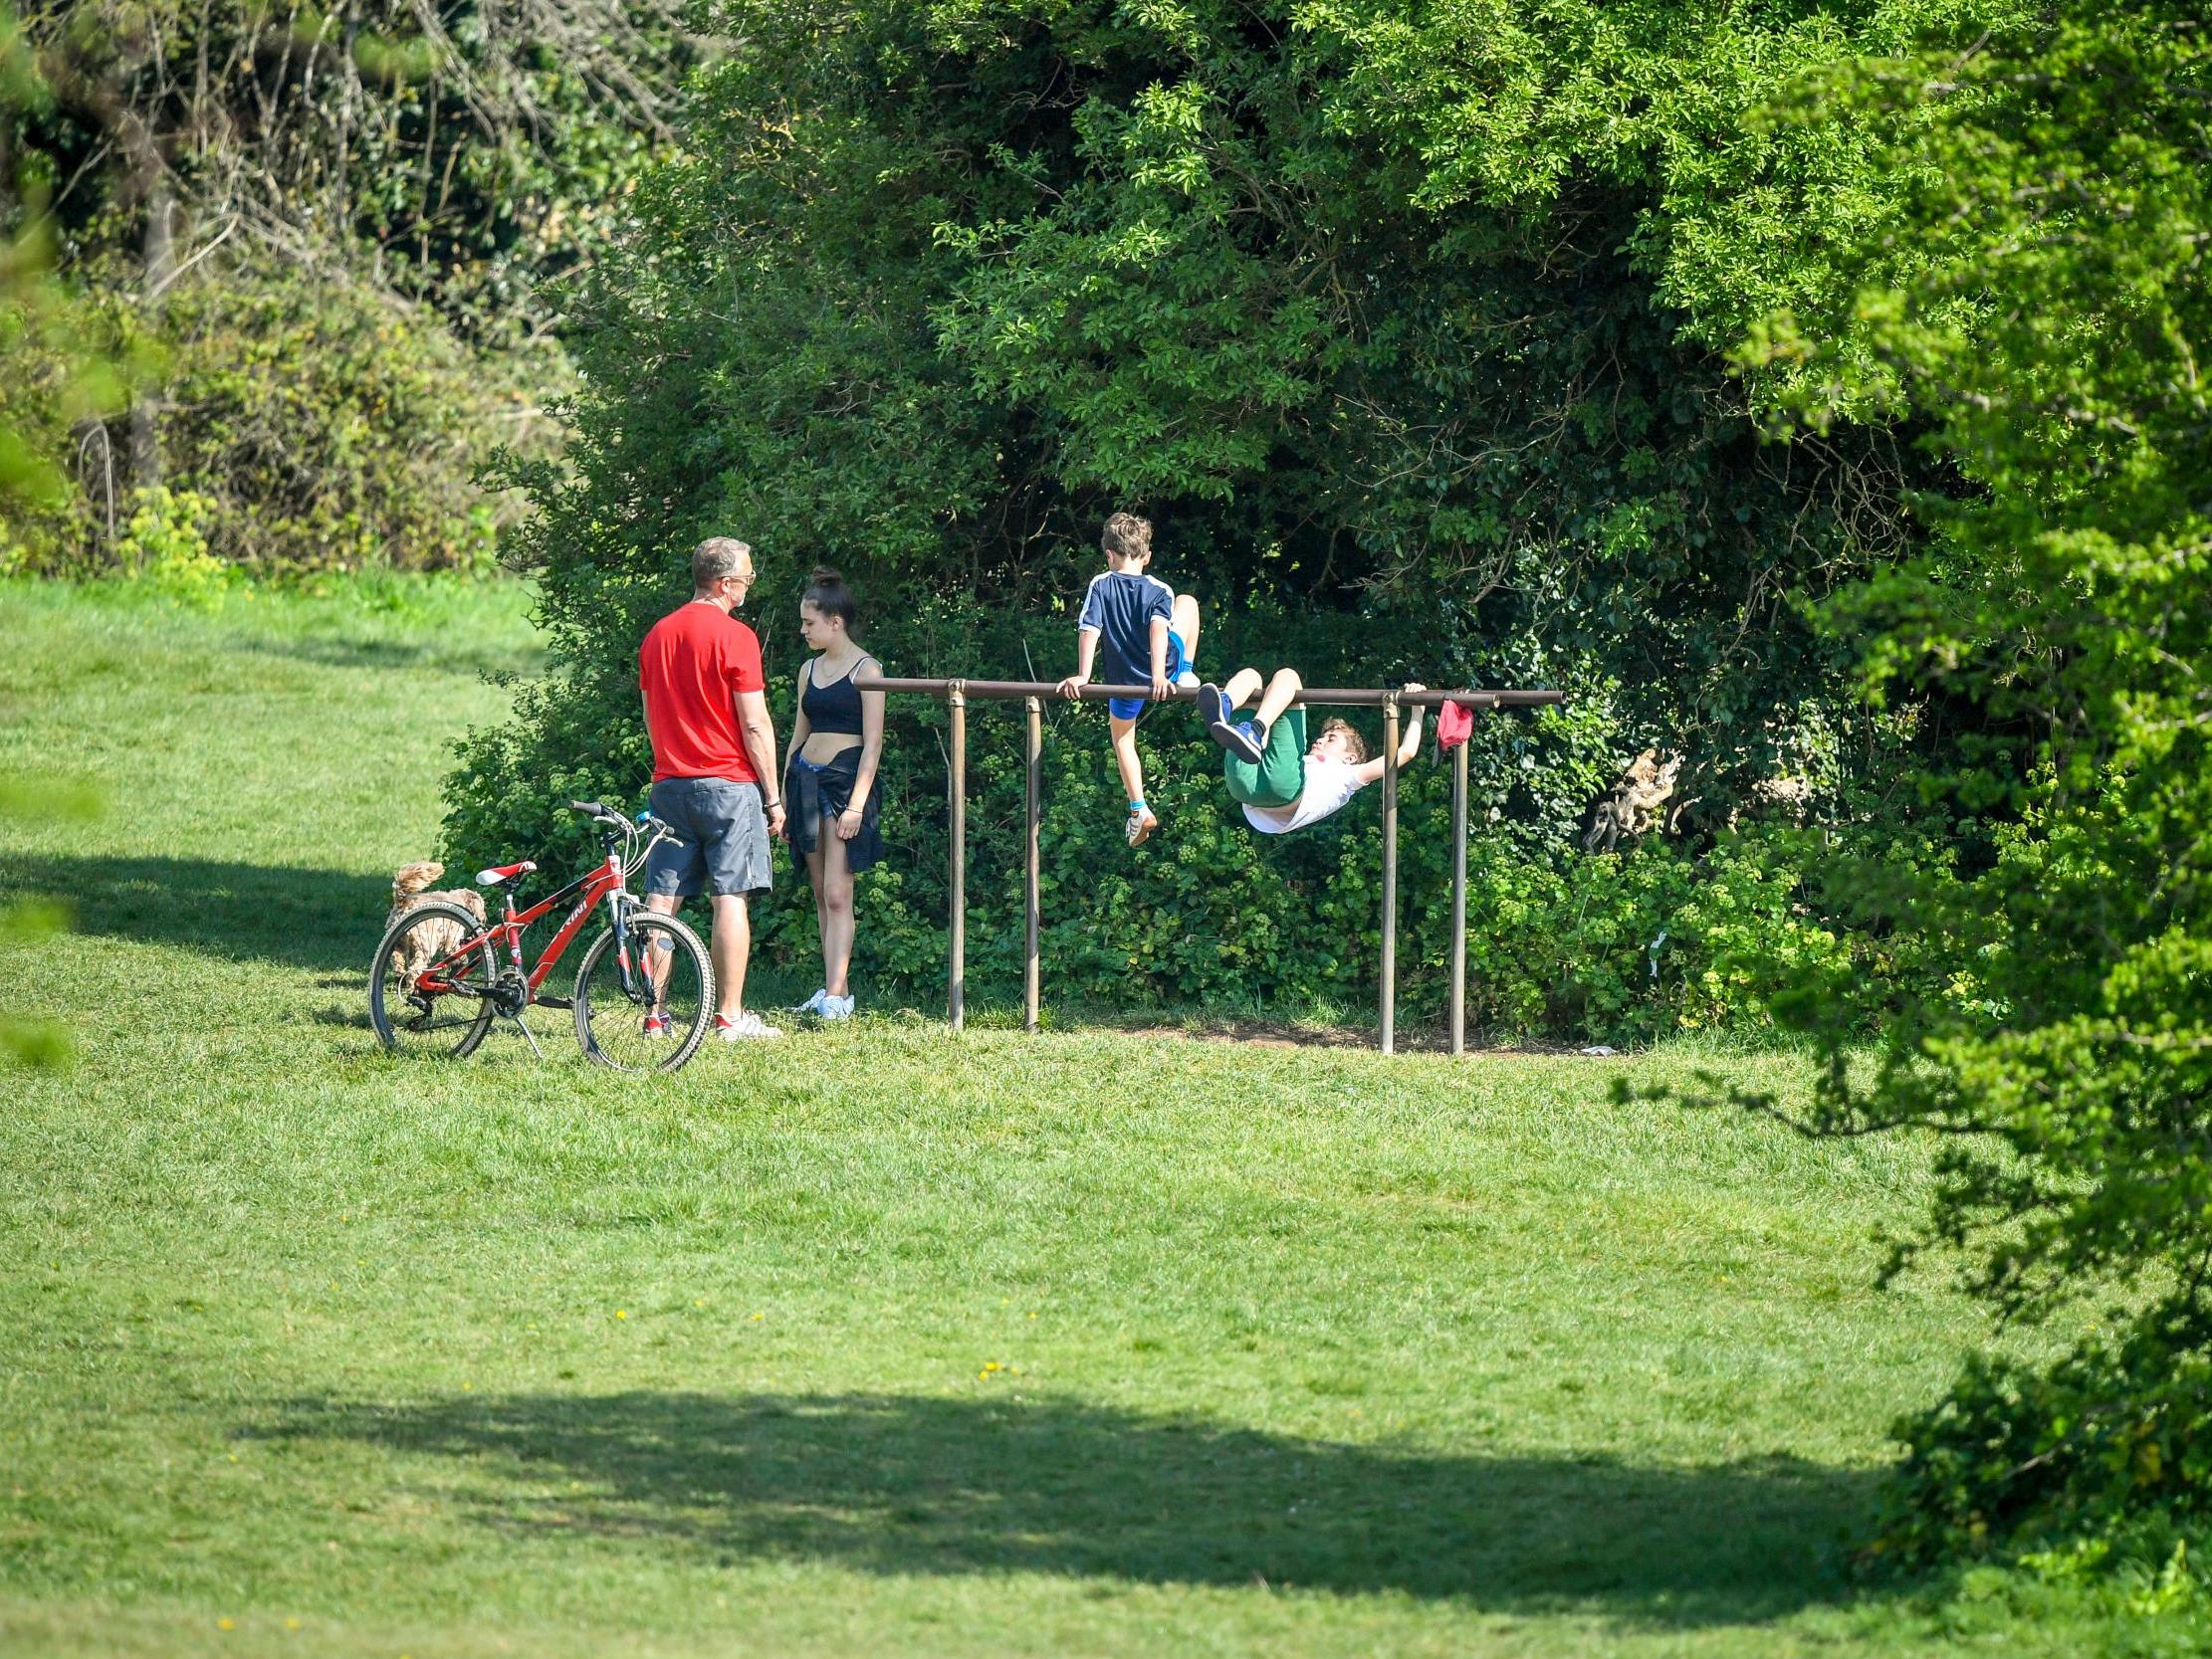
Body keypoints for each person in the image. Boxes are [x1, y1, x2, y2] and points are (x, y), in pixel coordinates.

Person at [636, 535, 786, 1040]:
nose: (749, 583)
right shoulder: (735, 636)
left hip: (670, 784)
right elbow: (755, 724)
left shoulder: (658, 634)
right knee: (730, 899)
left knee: (661, 901)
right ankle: (729, 1017)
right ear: (724, 583)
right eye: (746, 576)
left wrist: (668, 764)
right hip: (728, 785)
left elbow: (649, 715)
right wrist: (773, 796)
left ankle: (653, 1015)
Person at [1054, 511, 1203, 847]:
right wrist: (1159, 677)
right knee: (1189, 603)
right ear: (1146, 556)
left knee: (1123, 740)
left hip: (1123, 681)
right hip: (1163, 671)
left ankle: (1138, 808)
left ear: (1109, 555)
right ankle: (1189, 669)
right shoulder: (1159, 588)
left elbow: (1090, 629)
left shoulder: (1100, 584)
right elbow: (1157, 629)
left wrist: (1083, 675)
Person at [780, 567, 885, 1021]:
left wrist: (858, 805)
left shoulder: (868, 669)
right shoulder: (808, 670)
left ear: (835, 621)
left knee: (840, 893)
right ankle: (828, 989)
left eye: (809, 623)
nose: (803, 630)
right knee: (821, 893)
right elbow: (797, 734)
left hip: (844, 785)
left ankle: (839, 996)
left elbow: (874, 742)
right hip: (805, 780)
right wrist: (781, 797)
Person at [1197, 669, 1426, 834]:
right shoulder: (1302, 762)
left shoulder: (1348, 776)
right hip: (1243, 789)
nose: (1321, 740)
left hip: (1283, 791)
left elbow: (1405, 753)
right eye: (1324, 736)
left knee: (1288, 677)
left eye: (1332, 739)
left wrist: (1418, 710)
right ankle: (1225, 705)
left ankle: (1253, 728)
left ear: (1350, 758)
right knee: (1251, 678)